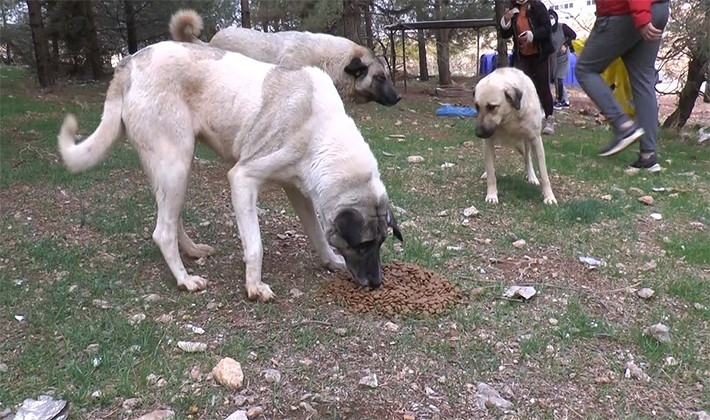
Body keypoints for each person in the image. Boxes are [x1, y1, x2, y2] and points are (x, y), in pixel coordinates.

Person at [574, 0, 669, 171]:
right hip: (657, 8)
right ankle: (648, 156)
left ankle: (624, 126)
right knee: (643, 78)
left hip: (625, 12)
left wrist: (641, 15)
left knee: (585, 69)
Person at [500, 0, 556, 135]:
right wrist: (506, 21)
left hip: (540, 53)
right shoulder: (513, 10)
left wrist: (533, 35)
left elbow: (547, 29)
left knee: (542, 87)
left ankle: (550, 119)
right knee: (519, 87)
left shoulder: (538, 6)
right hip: (522, 55)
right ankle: (521, 119)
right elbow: (505, 35)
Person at [548, 8, 576, 109]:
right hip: (553, 57)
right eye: (548, 18)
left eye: (552, 17)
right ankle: (565, 101)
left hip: (563, 56)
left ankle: (559, 101)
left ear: (555, 18)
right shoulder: (547, 30)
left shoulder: (562, 27)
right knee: (555, 78)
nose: (550, 20)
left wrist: (566, 44)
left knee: (559, 78)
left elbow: (573, 35)